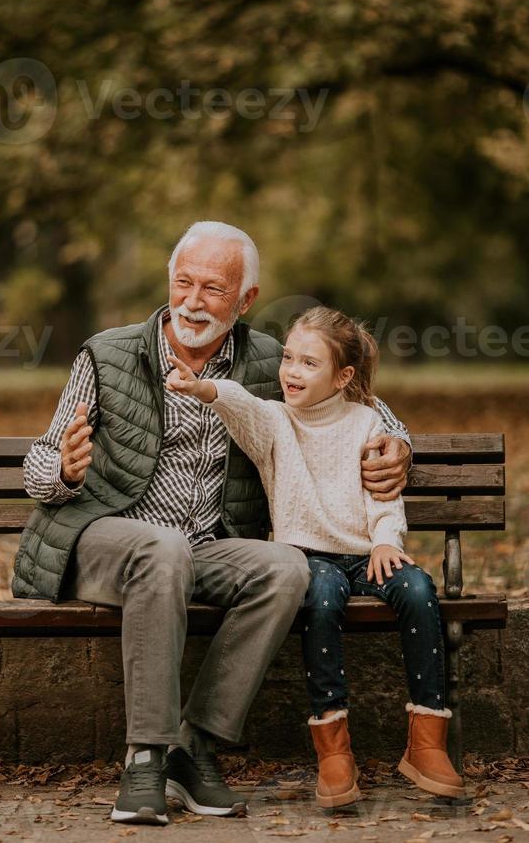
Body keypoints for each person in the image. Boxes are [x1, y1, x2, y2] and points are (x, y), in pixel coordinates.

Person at [11, 222, 413, 825]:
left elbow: (357, 403)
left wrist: (398, 442)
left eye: (214, 289)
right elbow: (38, 466)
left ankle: (193, 749)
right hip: (106, 539)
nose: (194, 301)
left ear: (246, 300)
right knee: (161, 546)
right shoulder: (108, 352)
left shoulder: (267, 361)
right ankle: (145, 755)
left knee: (287, 567)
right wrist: (65, 471)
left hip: (205, 548)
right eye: (184, 283)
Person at [166, 304, 464, 809]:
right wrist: (204, 389)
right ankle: (333, 746)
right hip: (307, 558)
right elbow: (241, 403)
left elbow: (382, 495)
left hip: (365, 553)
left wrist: (388, 539)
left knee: (417, 589)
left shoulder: (368, 422)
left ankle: (426, 743)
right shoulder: (275, 422)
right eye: (288, 358)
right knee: (320, 597)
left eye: (309, 363)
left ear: (342, 375)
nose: (291, 372)